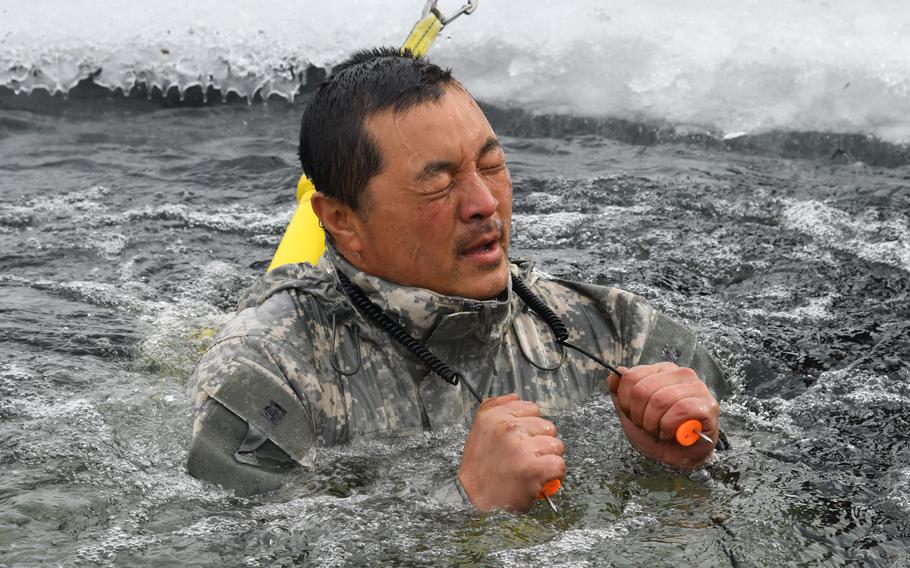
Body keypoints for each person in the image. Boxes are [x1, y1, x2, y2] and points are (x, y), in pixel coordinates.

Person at [186, 47, 727, 513]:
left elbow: (777, 493)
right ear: (344, 220)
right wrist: (463, 504)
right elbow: (223, 547)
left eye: (491, 166)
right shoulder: (270, 376)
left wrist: (696, 459)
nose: (485, 203)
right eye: (439, 183)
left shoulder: (618, 334)